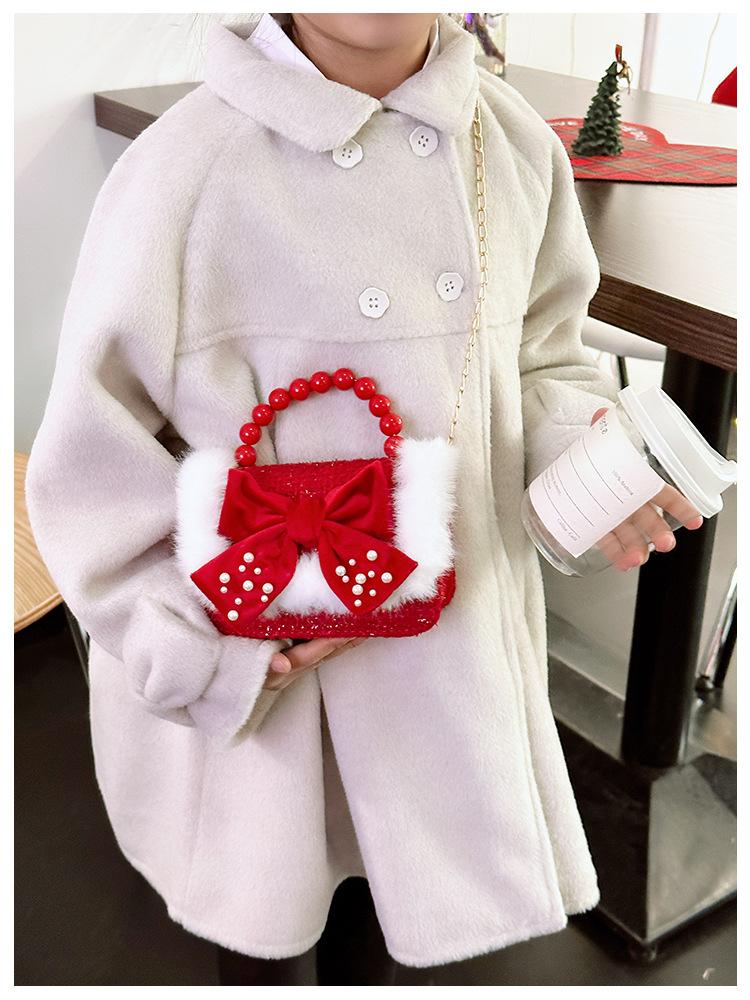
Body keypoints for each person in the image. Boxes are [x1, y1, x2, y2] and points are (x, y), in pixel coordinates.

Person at [24, 11, 705, 986]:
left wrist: (584, 455)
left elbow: (542, 357)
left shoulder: (513, 144)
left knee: (399, 925)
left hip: (452, 662)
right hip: (273, 672)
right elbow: (94, 459)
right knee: (273, 929)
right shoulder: (183, 172)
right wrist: (200, 646)